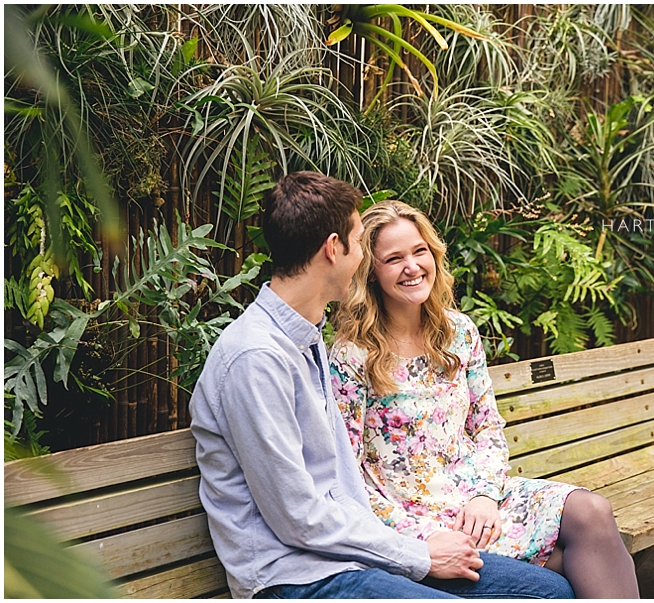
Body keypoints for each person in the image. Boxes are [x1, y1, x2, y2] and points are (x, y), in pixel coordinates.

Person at [189, 172, 575, 599]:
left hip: (356, 551)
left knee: (549, 592)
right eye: (359, 242)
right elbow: (297, 518)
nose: (362, 257)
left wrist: (413, 545)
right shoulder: (256, 359)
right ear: (333, 250)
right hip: (297, 575)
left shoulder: (304, 336)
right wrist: (420, 555)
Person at [329, 200, 641, 599]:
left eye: (419, 251)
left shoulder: (458, 332)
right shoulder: (354, 355)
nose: (412, 266)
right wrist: (423, 538)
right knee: (576, 567)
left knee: (592, 512)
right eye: (394, 258)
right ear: (371, 273)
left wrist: (484, 495)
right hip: (417, 522)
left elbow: (487, 428)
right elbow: (348, 475)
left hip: (480, 501)